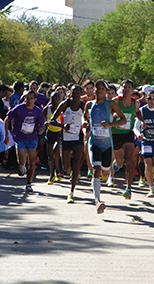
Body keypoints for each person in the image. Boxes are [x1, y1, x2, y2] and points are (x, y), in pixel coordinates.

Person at [83, 80, 126, 213]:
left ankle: (107, 172)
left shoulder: (111, 104)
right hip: (94, 142)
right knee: (96, 170)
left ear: (106, 91)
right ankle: (98, 201)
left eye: (102, 89)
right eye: (98, 88)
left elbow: (123, 120)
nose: (99, 91)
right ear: (94, 91)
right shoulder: (89, 105)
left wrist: (110, 125)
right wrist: (85, 124)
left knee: (105, 171)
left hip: (107, 143)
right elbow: (85, 117)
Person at [50, 85, 85, 203]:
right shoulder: (65, 104)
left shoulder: (82, 106)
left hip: (78, 138)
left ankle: (71, 191)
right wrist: (63, 126)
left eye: (78, 93)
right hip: (66, 138)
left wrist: (85, 125)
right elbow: (52, 120)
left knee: (76, 164)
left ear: (81, 94)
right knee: (66, 167)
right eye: (73, 93)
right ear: (70, 93)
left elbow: (87, 119)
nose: (75, 95)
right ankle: (66, 170)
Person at [5, 89, 45, 192]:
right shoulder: (19, 109)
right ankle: (22, 166)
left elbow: (42, 124)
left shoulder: (37, 110)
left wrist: (41, 129)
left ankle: (29, 182)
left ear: (35, 99)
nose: (29, 101)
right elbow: (7, 119)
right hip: (20, 137)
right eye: (27, 98)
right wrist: (6, 135)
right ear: (24, 98)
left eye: (31, 99)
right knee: (22, 160)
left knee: (32, 161)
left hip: (32, 137)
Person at [112, 80, 141, 196]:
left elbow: (138, 113)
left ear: (132, 90)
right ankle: (116, 164)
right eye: (125, 87)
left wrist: (143, 122)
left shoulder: (136, 103)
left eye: (129, 87)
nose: (127, 89)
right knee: (120, 163)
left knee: (129, 160)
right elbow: (108, 113)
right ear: (121, 89)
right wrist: (114, 115)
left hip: (128, 133)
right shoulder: (116, 101)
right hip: (116, 134)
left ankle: (128, 188)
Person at [138, 90, 154, 197]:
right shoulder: (142, 111)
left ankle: (151, 172)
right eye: (149, 98)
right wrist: (138, 133)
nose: (152, 101)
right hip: (147, 141)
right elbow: (136, 126)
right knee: (148, 164)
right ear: (146, 99)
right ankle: (151, 188)